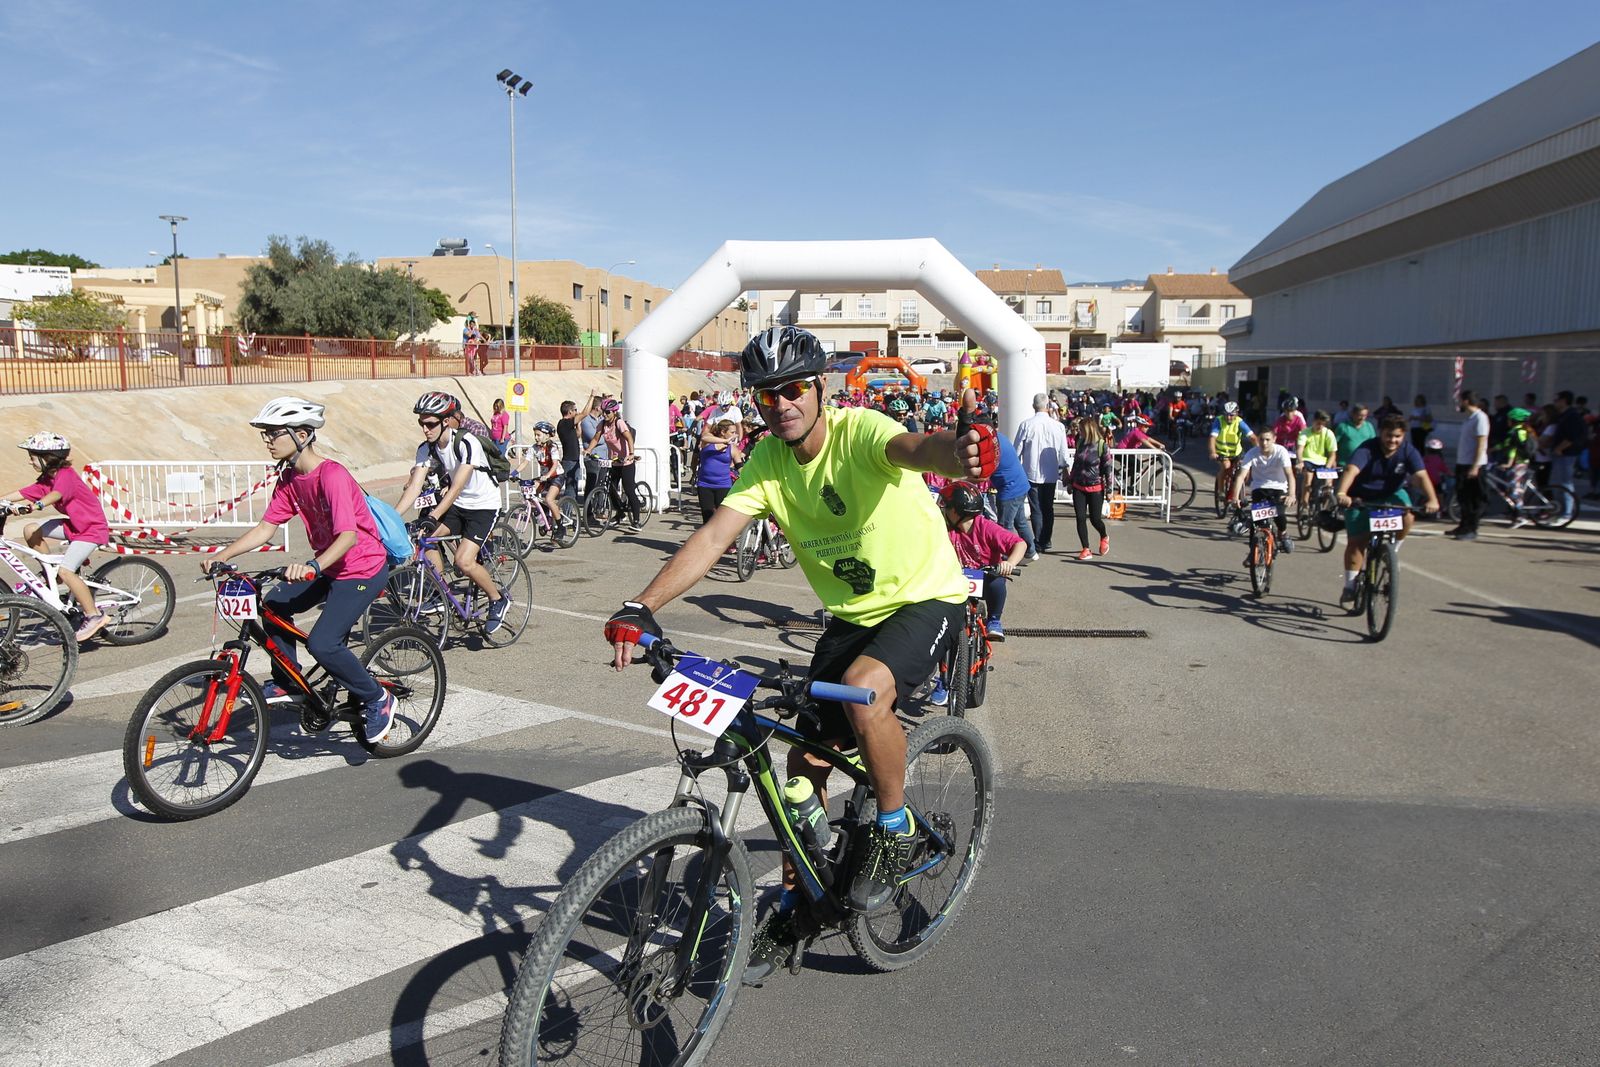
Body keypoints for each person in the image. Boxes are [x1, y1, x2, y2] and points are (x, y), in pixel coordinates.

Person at [602, 325, 995, 984]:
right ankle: (795, 904)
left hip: (924, 597)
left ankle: (894, 829)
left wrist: (960, 453)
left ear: (819, 389)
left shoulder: (860, 431)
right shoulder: (767, 463)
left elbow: (919, 447)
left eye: (792, 388)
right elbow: (713, 537)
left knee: (868, 689)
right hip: (850, 616)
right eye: (766, 394)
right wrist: (642, 605)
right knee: (799, 767)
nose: (781, 402)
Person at [204, 398, 395, 742]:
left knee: (324, 644)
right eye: (266, 434)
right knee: (274, 604)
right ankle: (287, 680)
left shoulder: (332, 475)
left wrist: (312, 566)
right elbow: (265, 528)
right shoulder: (290, 479)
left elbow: (348, 537)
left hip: (362, 568)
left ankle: (377, 698)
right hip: (329, 566)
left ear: (302, 434)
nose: (267, 440)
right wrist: (223, 555)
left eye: (274, 433)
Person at [396, 392, 510, 631]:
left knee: (463, 561)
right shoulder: (425, 449)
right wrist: (393, 519)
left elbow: (457, 486)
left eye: (430, 424)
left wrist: (433, 516)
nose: (425, 429)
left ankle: (498, 599)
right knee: (424, 539)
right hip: (459, 505)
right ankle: (439, 595)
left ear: (445, 421)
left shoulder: (468, 442)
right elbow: (415, 486)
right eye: (421, 424)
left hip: (483, 506)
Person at [4, 432, 112, 641]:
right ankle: (51, 573)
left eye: (33, 457)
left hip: (91, 530)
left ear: (48, 457)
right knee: (30, 530)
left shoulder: (66, 475)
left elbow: (56, 495)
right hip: (74, 526)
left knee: (68, 570)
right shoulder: (46, 479)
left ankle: (94, 616)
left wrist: (37, 505)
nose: (30, 461)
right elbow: (22, 492)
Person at [1335, 414, 1439, 604]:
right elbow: (1351, 470)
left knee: (1407, 515)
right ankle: (1350, 585)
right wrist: (1342, 493)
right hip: (1361, 497)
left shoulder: (1408, 450)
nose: (1393, 440)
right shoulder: (1367, 448)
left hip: (1392, 494)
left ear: (1403, 436)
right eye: (1388, 435)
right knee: (1357, 542)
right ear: (1381, 433)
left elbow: (1421, 476)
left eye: (1397, 436)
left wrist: (1432, 500)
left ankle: (1392, 552)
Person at [1013, 392, 1069, 552]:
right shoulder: (1058, 426)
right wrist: (1066, 469)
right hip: (1050, 473)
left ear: (1033, 406)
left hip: (1030, 472)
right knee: (1048, 508)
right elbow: (1064, 453)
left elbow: (1017, 450)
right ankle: (1046, 539)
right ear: (1048, 406)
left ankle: (1039, 539)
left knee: (1036, 508)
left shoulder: (1026, 425)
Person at [1231, 427, 1295, 554]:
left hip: (1279, 488)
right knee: (1256, 523)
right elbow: (1241, 476)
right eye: (1261, 439)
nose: (1264, 443)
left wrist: (1291, 494)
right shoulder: (1252, 453)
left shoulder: (1281, 451)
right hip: (1259, 488)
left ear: (1274, 440)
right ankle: (1252, 553)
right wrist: (1235, 497)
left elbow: (1289, 474)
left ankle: (1283, 534)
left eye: (1267, 439)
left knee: (1279, 515)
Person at [987, 413, 1036, 560]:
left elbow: (985, 471)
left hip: (1010, 489)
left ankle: (1005, 557)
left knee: (1004, 525)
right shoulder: (1000, 438)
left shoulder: (992, 445)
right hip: (1019, 485)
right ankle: (1031, 551)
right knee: (1020, 522)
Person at [589, 399, 641, 528]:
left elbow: (629, 437)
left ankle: (636, 521)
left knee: (629, 490)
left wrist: (631, 454)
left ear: (614, 412)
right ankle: (620, 514)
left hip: (626, 462)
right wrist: (588, 450)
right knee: (610, 488)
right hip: (614, 461)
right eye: (603, 412)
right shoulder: (602, 424)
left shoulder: (619, 423)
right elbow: (596, 438)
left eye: (607, 412)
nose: (605, 415)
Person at [1445, 390, 1490, 541]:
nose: (1458, 403)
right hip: (1463, 463)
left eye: (1460, 400)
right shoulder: (1469, 419)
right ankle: (1463, 526)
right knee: (1463, 497)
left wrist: (1475, 466)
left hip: (1473, 465)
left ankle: (1472, 528)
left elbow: (1481, 443)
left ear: (1466, 401)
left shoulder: (1480, 418)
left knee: (1474, 498)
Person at [1068, 416, 1113, 560]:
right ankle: (1086, 548)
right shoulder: (1080, 442)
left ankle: (1104, 535)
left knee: (1095, 519)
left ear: (1088, 430)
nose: (1079, 432)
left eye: (1081, 430)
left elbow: (1108, 469)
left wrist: (1110, 490)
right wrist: (1070, 481)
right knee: (1080, 518)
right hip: (1078, 486)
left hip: (1096, 488)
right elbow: (1076, 464)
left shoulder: (1101, 446)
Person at [695, 410, 744, 524]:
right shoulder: (708, 442)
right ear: (723, 432)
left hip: (723, 485)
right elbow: (704, 437)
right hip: (705, 485)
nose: (734, 435)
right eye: (732, 432)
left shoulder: (732, 449)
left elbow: (740, 466)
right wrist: (725, 441)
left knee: (721, 519)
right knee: (707, 518)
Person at [1208, 401, 1256, 505]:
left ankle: (1235, 491)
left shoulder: (1239, 422)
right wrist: (1213, 452)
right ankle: (1221, 491)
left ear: (1237, 414)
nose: (1229, 418)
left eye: (1231, 415)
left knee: (1245, 472)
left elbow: (1252, 437)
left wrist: (1259, 451)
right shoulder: (1219, 421)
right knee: (1226, 466)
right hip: (1222, 452)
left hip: (1237, 453)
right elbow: (1212, 438)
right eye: (1226, 415)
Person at [1550, 390, 1586, 520]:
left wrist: (1559, 449)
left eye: (1557, 400)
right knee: (1559, 483)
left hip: (1567, 454)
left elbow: (1572, 436)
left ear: (1563, 401)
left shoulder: (1572, 416)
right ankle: (1562, 510)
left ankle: (1567, 512)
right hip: (1561, 454)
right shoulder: (1563, 415)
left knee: (1565, 483)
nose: (1555, 402)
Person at [527, 420, 567, 527]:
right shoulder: (534, 448)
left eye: (538, 435)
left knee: (549, 499)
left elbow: (555, 464)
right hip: (545, 477)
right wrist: (513, 473)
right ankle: (544, 512)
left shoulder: (552, 447)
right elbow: (525, 462)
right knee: (528, 494)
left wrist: (548, 475)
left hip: (556, 476)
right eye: (535, 435)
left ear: (547, 436)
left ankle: (560, 526)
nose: (536, 437)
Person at [1296, 410, 1338, 499]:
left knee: (1329, 483)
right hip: (1308, 460)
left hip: (1322, 461)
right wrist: (1300, 462)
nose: (1320, 426)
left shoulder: (1328, 433)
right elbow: (1300, 449)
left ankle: (1326, 505)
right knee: (1308, 479)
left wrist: (1328, 467)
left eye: (1323, 424)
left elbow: (1332, 454)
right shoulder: (1305, 432)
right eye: (1318, 423)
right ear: (1313, 421)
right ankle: (1305, 503)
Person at [555, 398, 583, 500]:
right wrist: (592, 396)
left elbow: (578, 435)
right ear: (570, 411)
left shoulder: (569, 425)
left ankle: (568, 512)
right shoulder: (564, 423)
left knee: (573, 487)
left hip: (574, 460)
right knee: (570, 489)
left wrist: (578, 424)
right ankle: (566, 514)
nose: (576, 412)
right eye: (575, 410)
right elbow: (584, 413)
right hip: (569, 461)